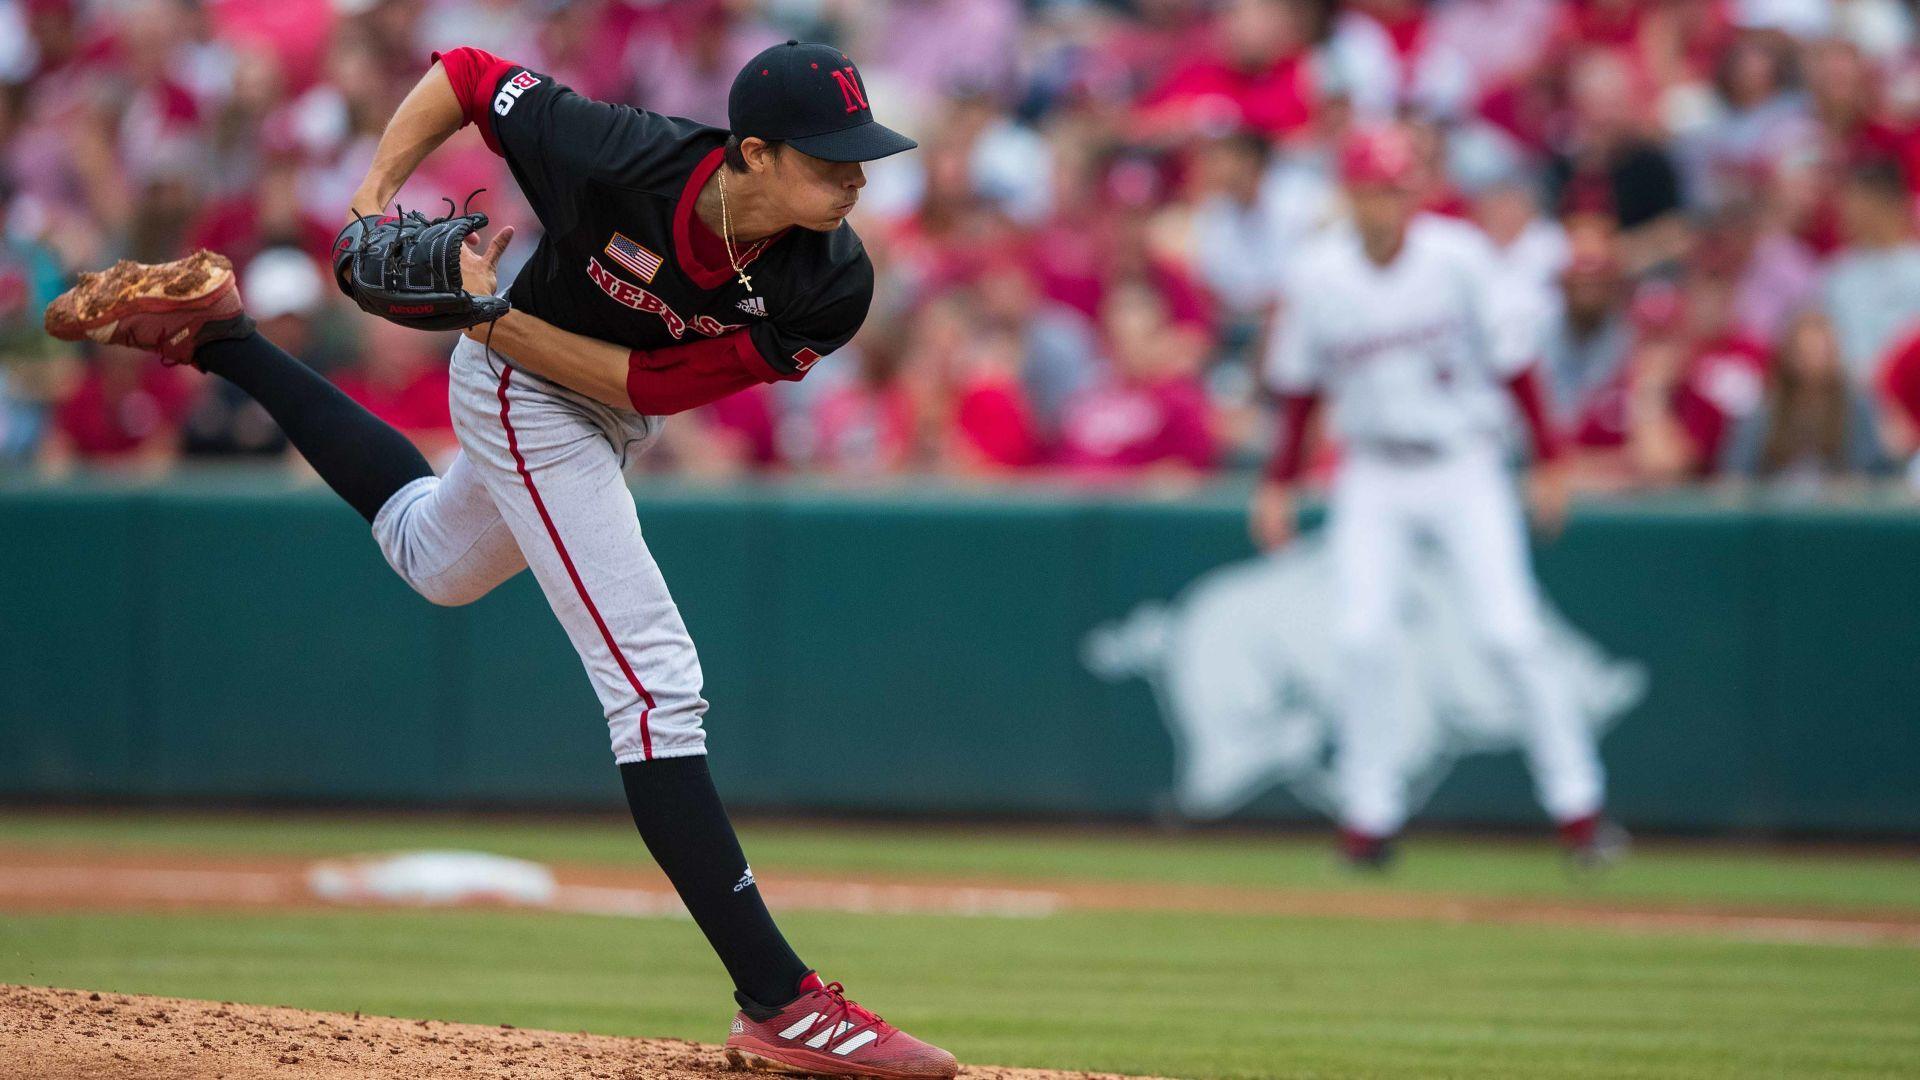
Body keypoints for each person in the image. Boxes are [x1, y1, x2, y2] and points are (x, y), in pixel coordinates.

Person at [44, 40, 956, 1080]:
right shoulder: (626, 154)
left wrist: (489, 313)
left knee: (433, 556)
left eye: (860, 154)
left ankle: (222, 337)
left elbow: (648, 387)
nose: (857, 176)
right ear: (751, 152)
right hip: (523, 395)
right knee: (657, 685)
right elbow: (470, 73)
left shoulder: (832, 283)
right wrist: (373, 200)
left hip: (589, 394)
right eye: (831, 157)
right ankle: (778, 999)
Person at [1248, 125, 1621, 870]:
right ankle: (1369, 819)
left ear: (1413, 193)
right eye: (1369, 188)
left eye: (1394, 188)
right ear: (1347, 194)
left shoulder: (1457, 258)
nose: (1383, 203)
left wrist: (1549, 459)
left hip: (1463, 463)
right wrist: (1279, 482)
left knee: (1510, 634)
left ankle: (1579, 809)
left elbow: (1516, 364)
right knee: (1360, 638)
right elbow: (1299, 392)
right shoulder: (1320, 273)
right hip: (1374, 471)